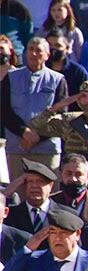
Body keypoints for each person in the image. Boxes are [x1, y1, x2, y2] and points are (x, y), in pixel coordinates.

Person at [4, 37, 67, 177]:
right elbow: (4, 111)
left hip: (47, 149)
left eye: (38, 50)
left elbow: (60, 115)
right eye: (31, 49)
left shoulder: (57, 80)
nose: (33, 54)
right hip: (17, 147)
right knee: (17, 196)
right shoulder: (11, 77)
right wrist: (24, 133)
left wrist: (37, 136)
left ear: (47, 55)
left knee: (48, 194)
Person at [49, 153, 88, 225]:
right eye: (68, 174)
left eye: (78, 174)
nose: (73, 179)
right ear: (61, 176)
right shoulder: (50, 202)